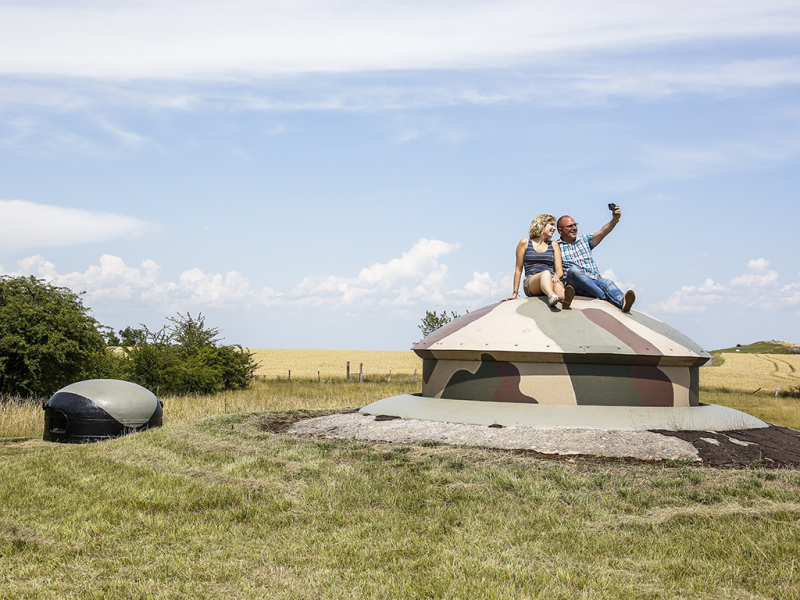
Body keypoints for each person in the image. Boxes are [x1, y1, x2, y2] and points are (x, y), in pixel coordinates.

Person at [556, 204, 635, 312]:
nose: (574, 228)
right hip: (575, 284)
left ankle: (622, 301)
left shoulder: (584, 240)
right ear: (560, 230)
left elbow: (602, 232)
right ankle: (605, 298)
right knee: (574, 270)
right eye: (570, 226)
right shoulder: (556, 246)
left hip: (593, 280)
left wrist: (615, 220)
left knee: (607, 282)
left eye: (575, 225)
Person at [502, 214, 575, 308]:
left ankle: (565, 300)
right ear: (541, 225)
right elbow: (518, 270)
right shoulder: (525, 243)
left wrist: (556, 277)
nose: (554, 228)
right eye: (551, 224)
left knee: (557, 283)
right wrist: (515, 293)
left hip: (551, 279)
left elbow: (559, 270)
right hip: (532, 282)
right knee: (545, 273)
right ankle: (551, 296)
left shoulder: (554, 245)